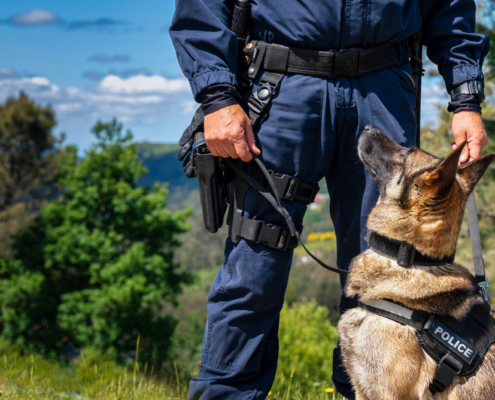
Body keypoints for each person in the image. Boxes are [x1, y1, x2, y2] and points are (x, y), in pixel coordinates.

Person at [170, 1, 489, 399]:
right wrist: (217, 96)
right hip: (282, 86)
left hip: (384, 86)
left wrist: (466, 96)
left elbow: (450, 5)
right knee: (254, 268)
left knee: (390, 280)